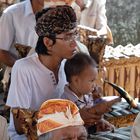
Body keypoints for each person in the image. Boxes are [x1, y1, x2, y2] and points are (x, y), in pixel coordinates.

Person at [6, 5, 79, 139]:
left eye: (75, 34)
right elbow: (20, 126)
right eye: (68, 37)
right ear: (48, 42)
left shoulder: (67, 65)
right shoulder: (23, 68)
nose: (75, 44)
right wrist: (68, 118)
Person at [61, 52, 121, 133]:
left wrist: (101, 122)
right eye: (91, 81)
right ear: (76, 80)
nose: (94, 84)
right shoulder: (64, 102)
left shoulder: (88, 96)